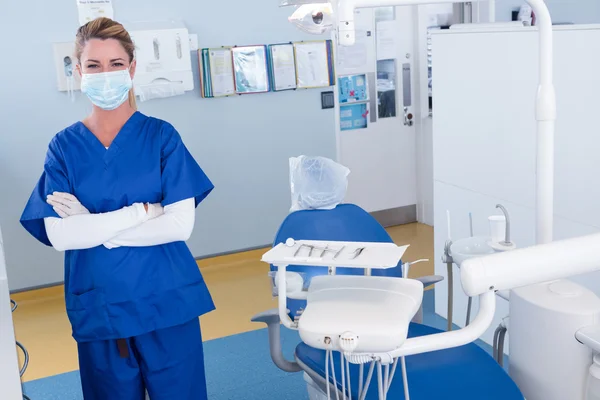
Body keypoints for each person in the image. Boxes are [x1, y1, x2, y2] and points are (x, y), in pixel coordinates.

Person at [20, 17, 214, 400]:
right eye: (93, 65)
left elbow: (178, 226)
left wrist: (92, 227)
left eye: (115, 64)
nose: (104, 74)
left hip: (165, 301)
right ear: (78, 71)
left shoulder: (161, 136)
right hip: (100, 304)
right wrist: (141, 213)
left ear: (132, 69)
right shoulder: (64, 147)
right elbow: (60, 235)